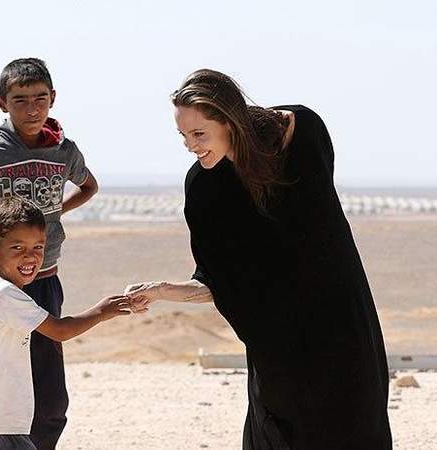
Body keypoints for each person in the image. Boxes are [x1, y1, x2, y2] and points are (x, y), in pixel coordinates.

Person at [124, 69, 392, 450]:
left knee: (356, 426)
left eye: (199, 134)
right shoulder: (204, 190)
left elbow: (325, 228)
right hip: (280, 349)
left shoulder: (301, 132)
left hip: (342, 324)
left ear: (229, 121)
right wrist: (162, 290)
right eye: (183, 136)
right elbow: (220, 282)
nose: (190, 146)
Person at [0, 58, 98, 449]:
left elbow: (89, 186)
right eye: (20, 100)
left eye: (40, 98)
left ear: (52, 98)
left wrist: (50, 216)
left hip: (45, 278)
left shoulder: (63, 150)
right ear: (2, 103)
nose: (32, 108)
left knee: (50, 397)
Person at [0, 196, 130, 450]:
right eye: (18, 247)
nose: (30, 257)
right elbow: (60, 330)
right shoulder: (3, 294)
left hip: (1, 426)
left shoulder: (1, 292)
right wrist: (101, 311)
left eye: (38, 247)